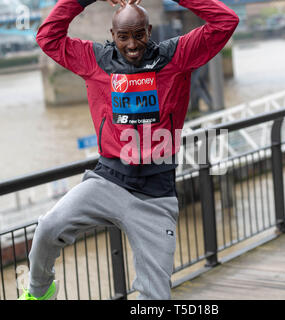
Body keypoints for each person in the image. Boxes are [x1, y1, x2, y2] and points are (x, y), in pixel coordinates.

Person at [18, 0, 239, 300]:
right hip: (107, 182)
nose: (132, 45)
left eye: (139, 35)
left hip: (155, 195)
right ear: (112, 34)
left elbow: (225, 22)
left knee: (156, 297)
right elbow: (48, 37)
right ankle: (39, 294)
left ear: (150, 31)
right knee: (47, 229)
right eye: (123, 37)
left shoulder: (176, 57)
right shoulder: (96, 60)